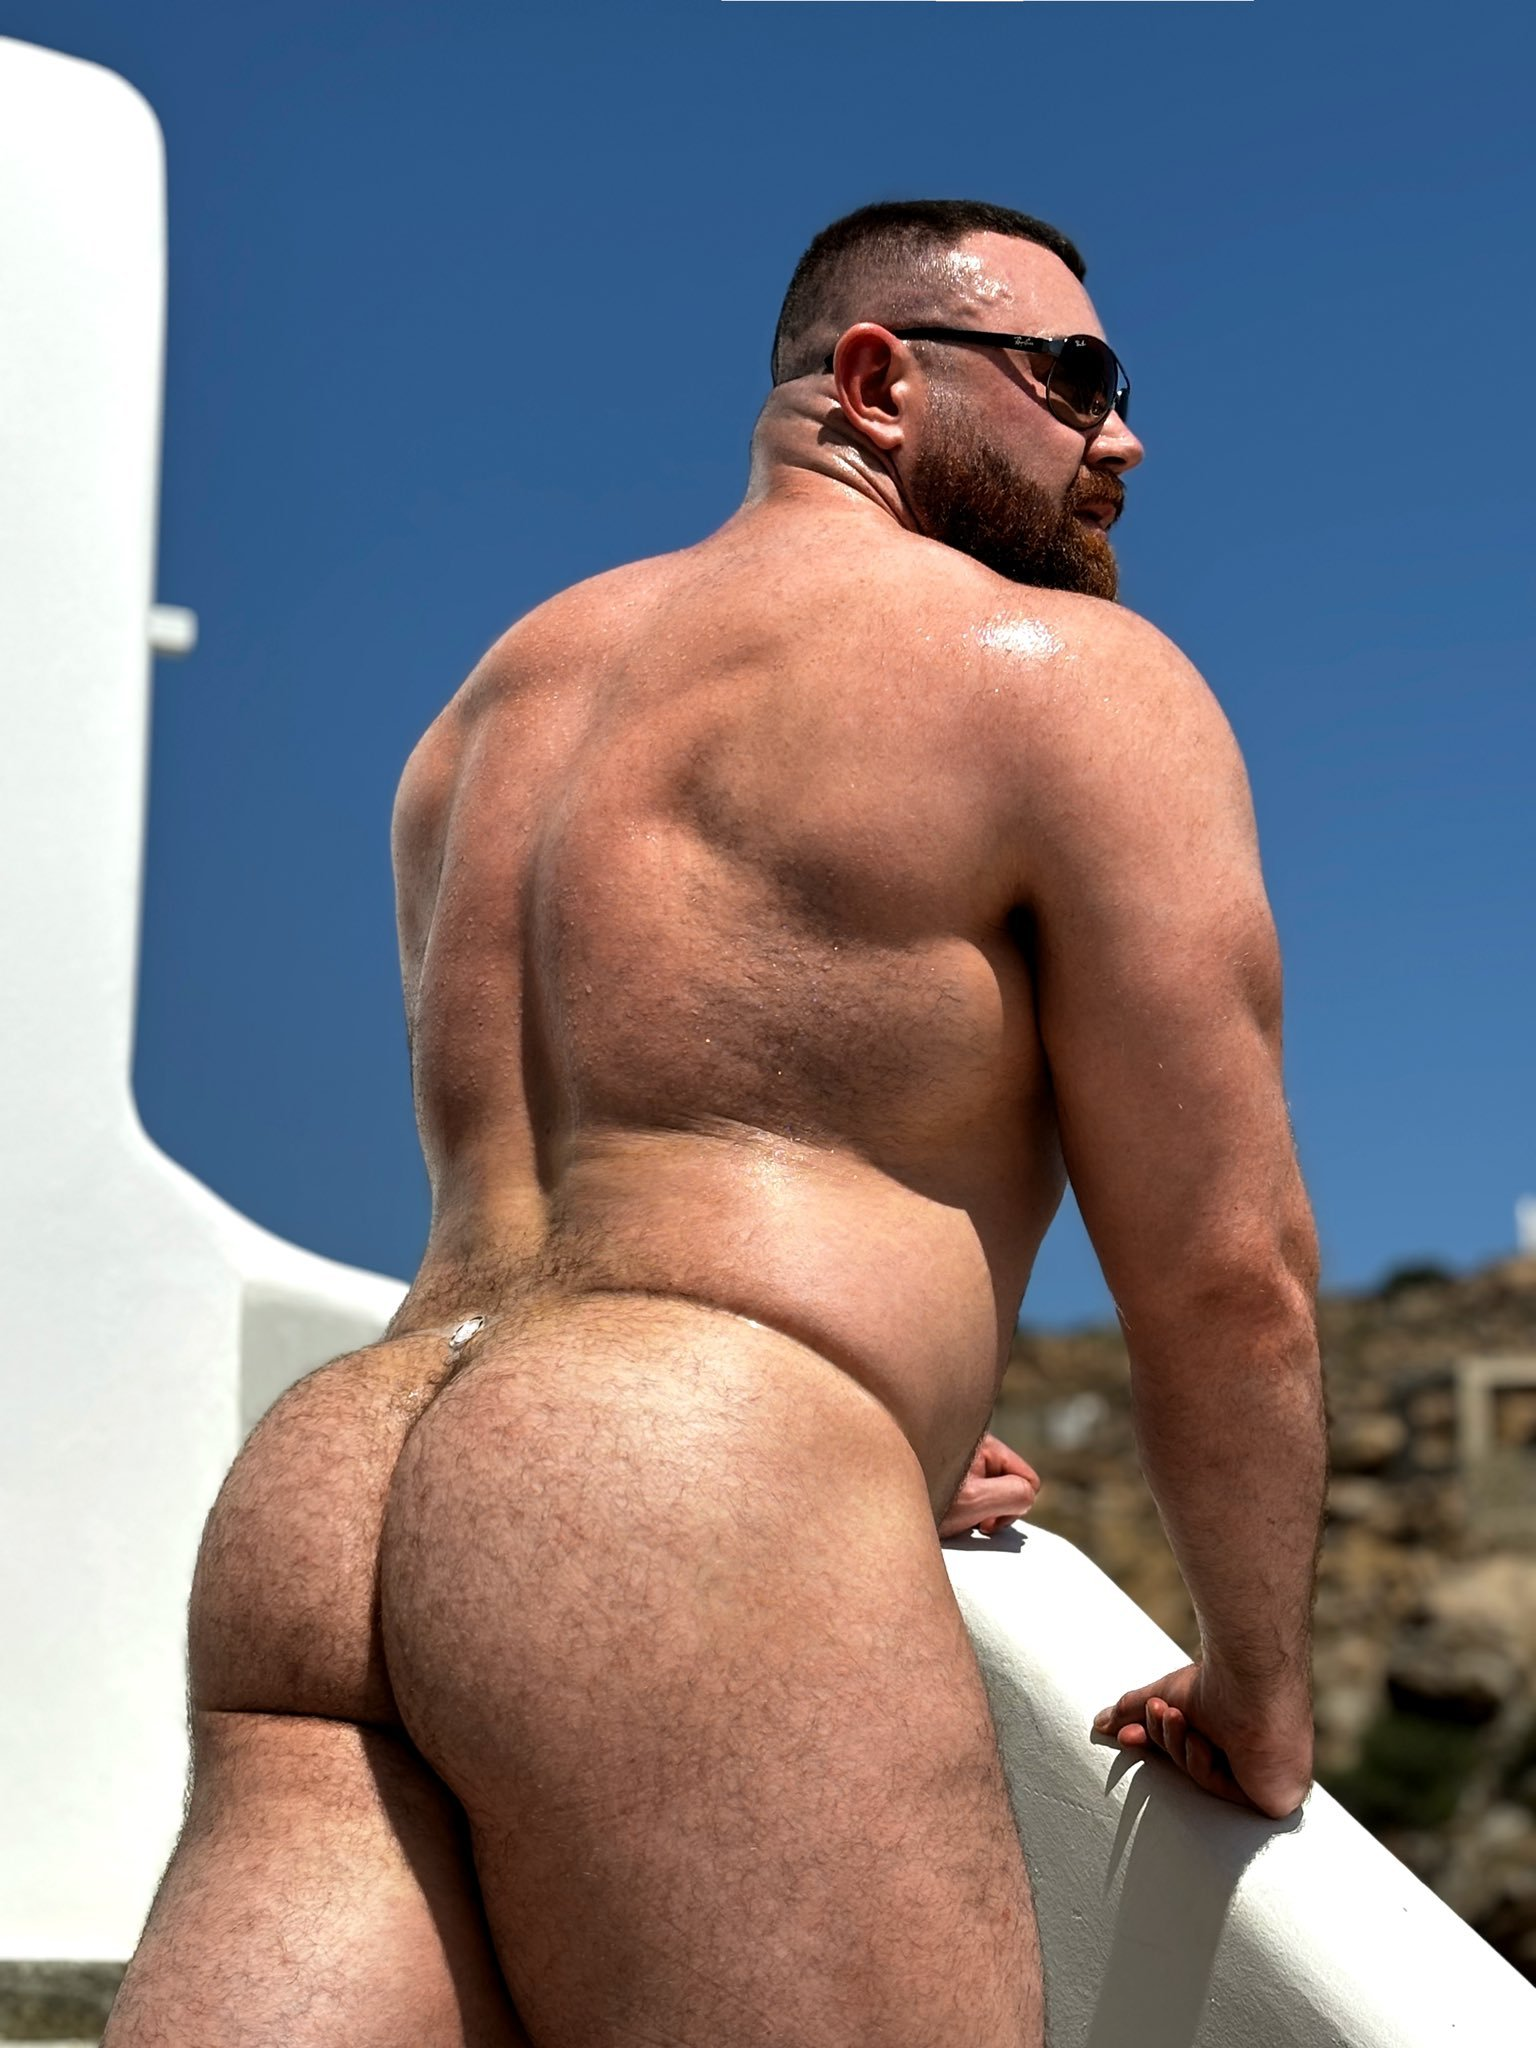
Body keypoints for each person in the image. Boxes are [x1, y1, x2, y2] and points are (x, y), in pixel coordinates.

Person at [105, 198, 1326, 2048]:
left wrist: (865, 1412)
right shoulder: (1065, 677)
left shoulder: (495, 707)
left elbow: (624, 1201)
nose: (1125, 439)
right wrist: (1258, 1679)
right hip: (676, 1495)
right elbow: (1228, 1274)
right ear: (878, 380)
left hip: (333, 1497)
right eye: (1077, 378)